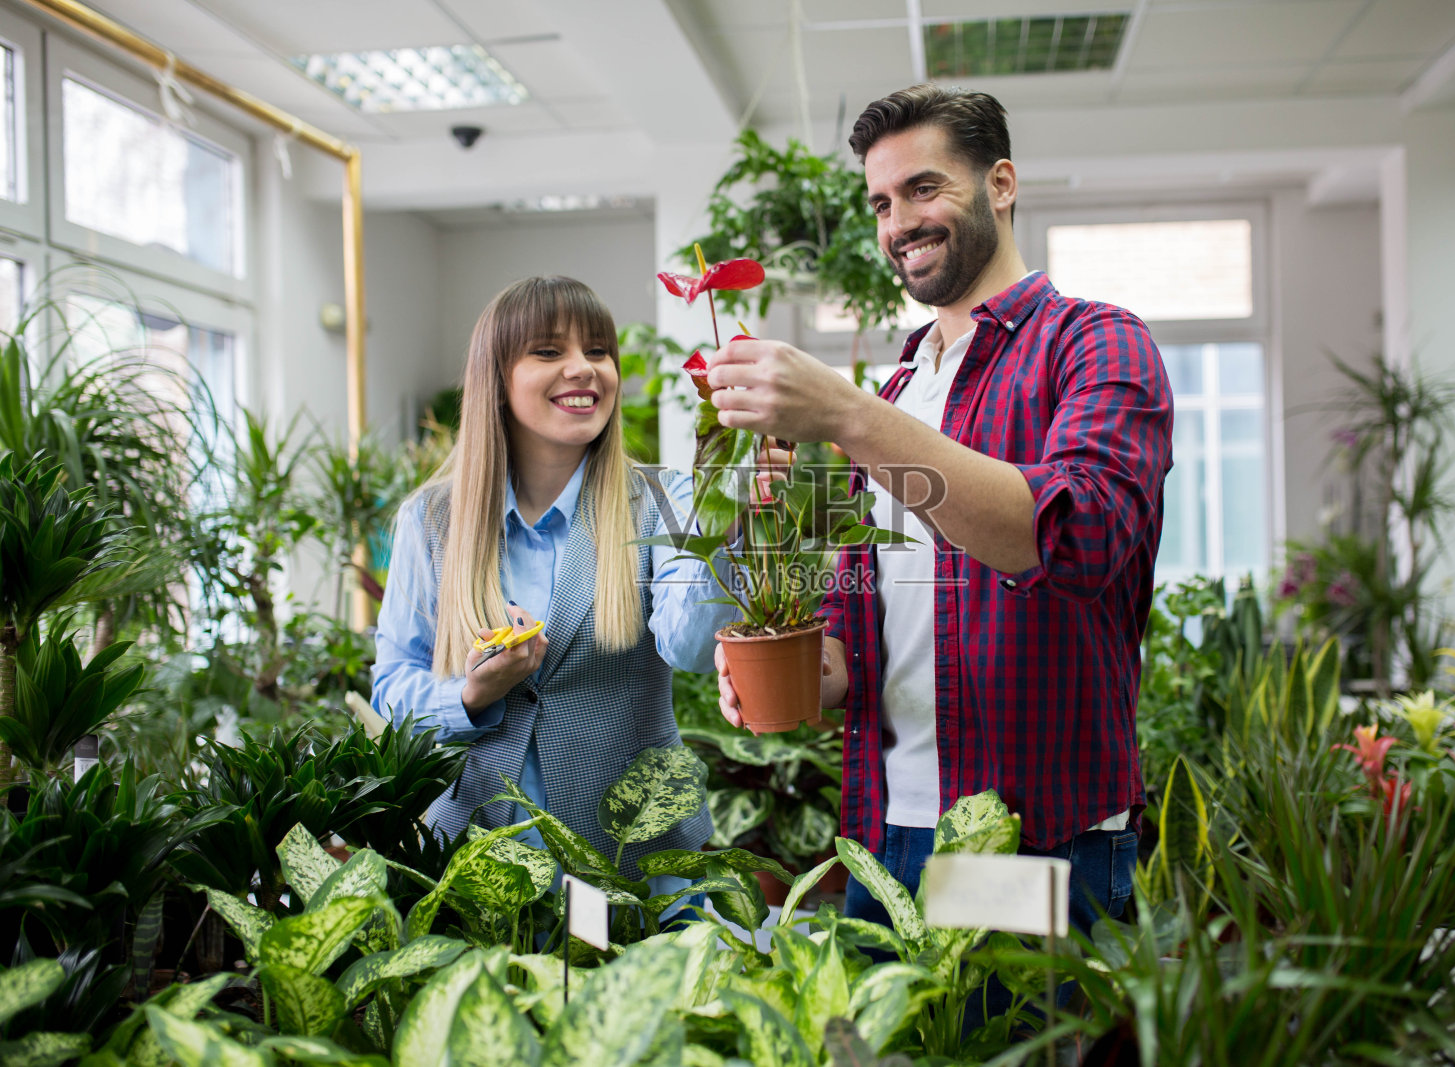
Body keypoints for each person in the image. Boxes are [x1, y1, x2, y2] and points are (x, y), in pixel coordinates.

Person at [707, 85, 1174, 938]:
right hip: (888, 834)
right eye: (881, 203)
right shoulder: (899, 390)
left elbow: (1075, 538)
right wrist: (786, 670)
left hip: (1037, 838)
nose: (898, 223)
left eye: (925, 189)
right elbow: (857, 626)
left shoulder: (1095, 343)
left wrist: (849, 414)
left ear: (1000, 184)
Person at [372, 275, 736, 887]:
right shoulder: (431, 520)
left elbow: (695, 647)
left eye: (598, 351)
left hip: (636, 862)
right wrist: (471, 694)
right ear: (498, 377)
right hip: (474, 862)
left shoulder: (664, 499)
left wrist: (724, 509)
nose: (584, 369)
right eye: (549, 352)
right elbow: (392, 686)